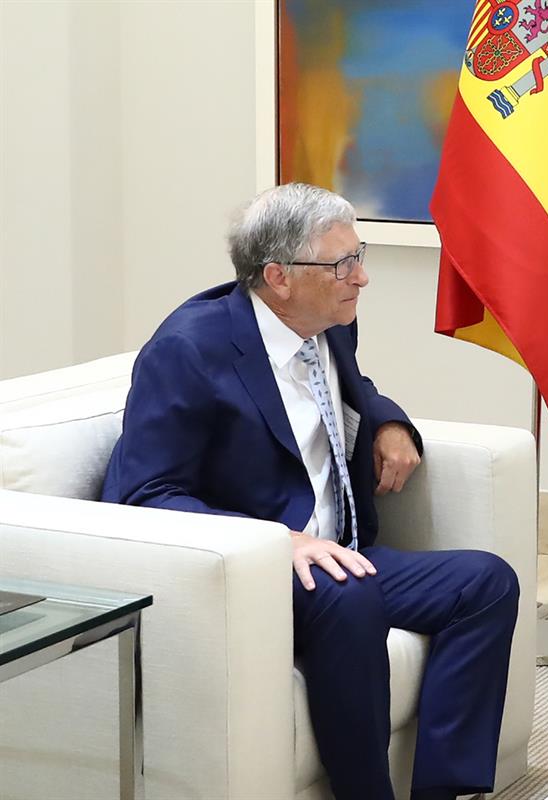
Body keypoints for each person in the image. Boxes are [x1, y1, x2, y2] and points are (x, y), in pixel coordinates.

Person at [102, 183, 518, 800]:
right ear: (279, 276)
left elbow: (356, 389)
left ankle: (443, 789)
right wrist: (280, 541)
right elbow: (142, 493)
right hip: (257, 566)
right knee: (350, 598)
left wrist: (391, 422)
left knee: (487, 583)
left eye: (360, 254)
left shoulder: (329, 323)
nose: (362, 277)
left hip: (344, 552)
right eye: (342, 263)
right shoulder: (190, 350)